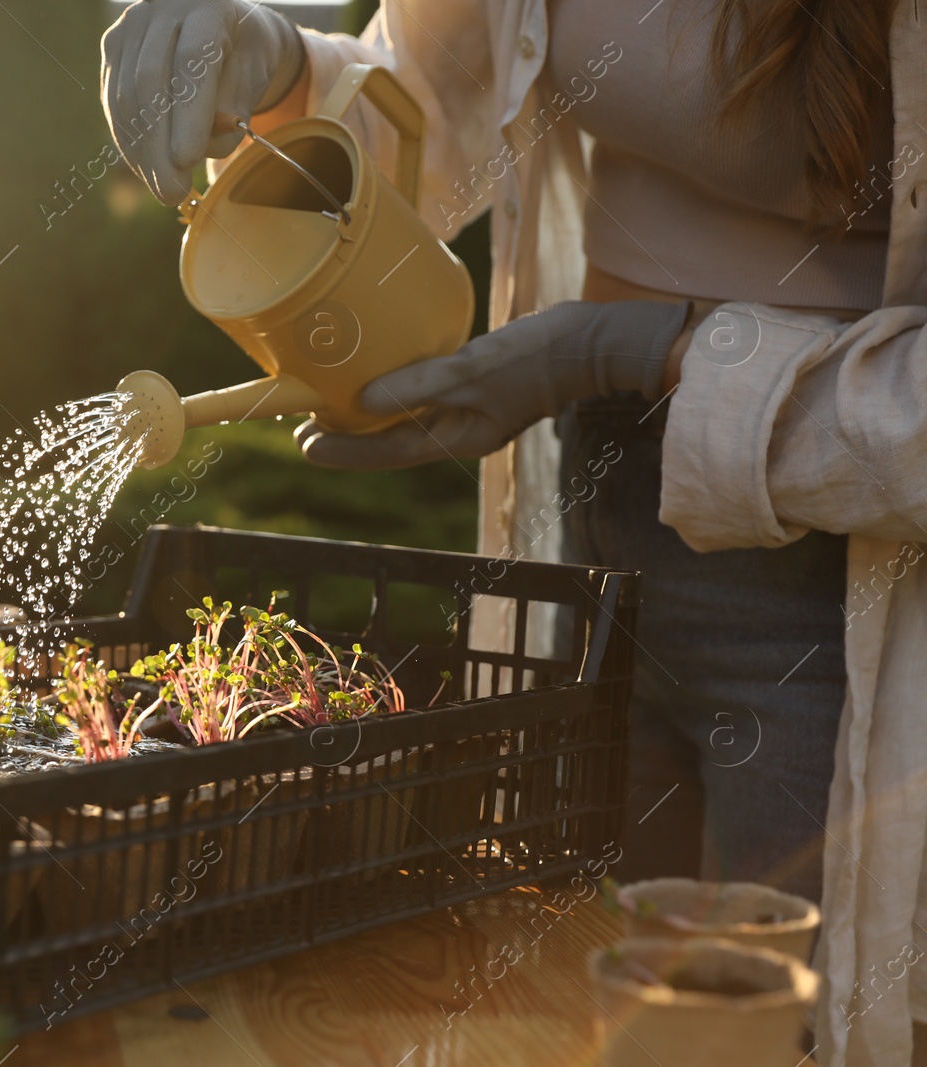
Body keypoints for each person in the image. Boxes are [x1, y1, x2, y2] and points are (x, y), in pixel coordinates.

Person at [103, 3, 927, 1065]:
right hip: (596, 523)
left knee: (796, 1025)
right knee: (565, 1005)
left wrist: (632, 351)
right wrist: (281, 76)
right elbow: (433, 98)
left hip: (854, 565)